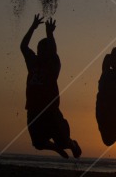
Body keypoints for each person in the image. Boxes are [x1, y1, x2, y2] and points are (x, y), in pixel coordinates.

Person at [20, 14, 81, 158]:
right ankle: (56, 149)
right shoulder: (33, 62)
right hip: (33, 110)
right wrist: (33, 28)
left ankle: (72, 144)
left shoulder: (53, 65)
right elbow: (23, 46)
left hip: (50, 111)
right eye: (40, 48)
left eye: (45, 49)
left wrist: (49, 34)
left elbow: (53, 51)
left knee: (64, 141)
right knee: (39, 144)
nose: (41, 51)